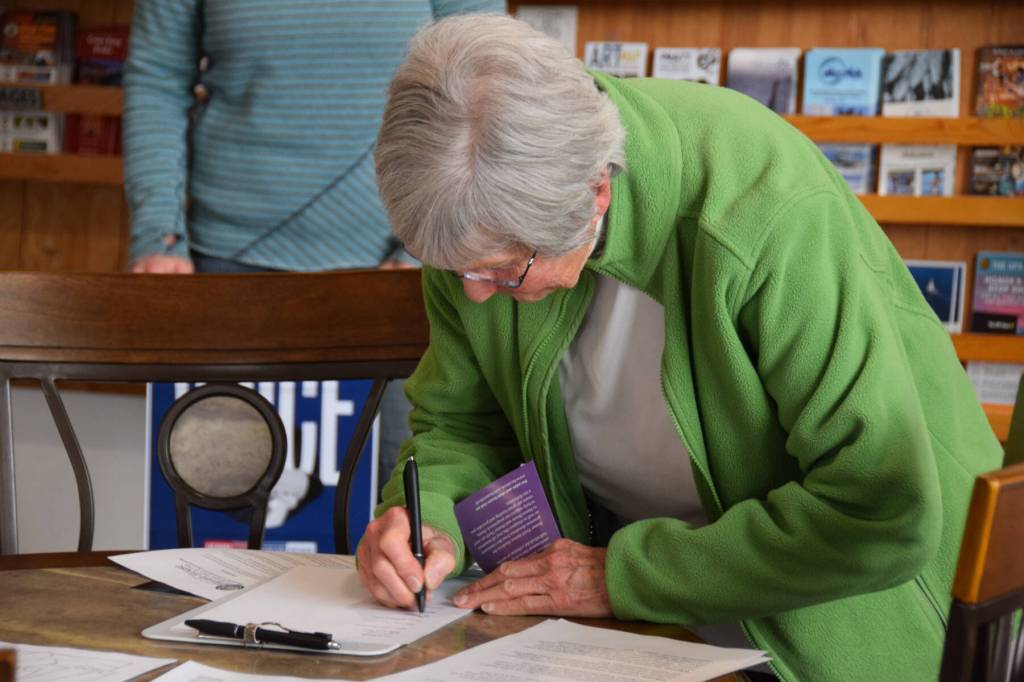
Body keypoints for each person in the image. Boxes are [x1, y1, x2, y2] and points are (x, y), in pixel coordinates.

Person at [356, 14, 1003, 682]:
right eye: (455, 270)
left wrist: (621, 577)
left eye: (504, 272)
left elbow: (877, 514)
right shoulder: (477, 212)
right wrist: (425, 523)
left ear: (595, 193)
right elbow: (464, 425)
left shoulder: (765, 206)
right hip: (641, 630)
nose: (477, 296)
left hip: (854, 630)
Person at [122, 0, 505, 489]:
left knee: (394, 503)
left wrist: (427, 248)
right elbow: (156, 79)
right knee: (224, 505)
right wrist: (159, 236)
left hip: (404, 283)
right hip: (226, 270)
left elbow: (485, 79)